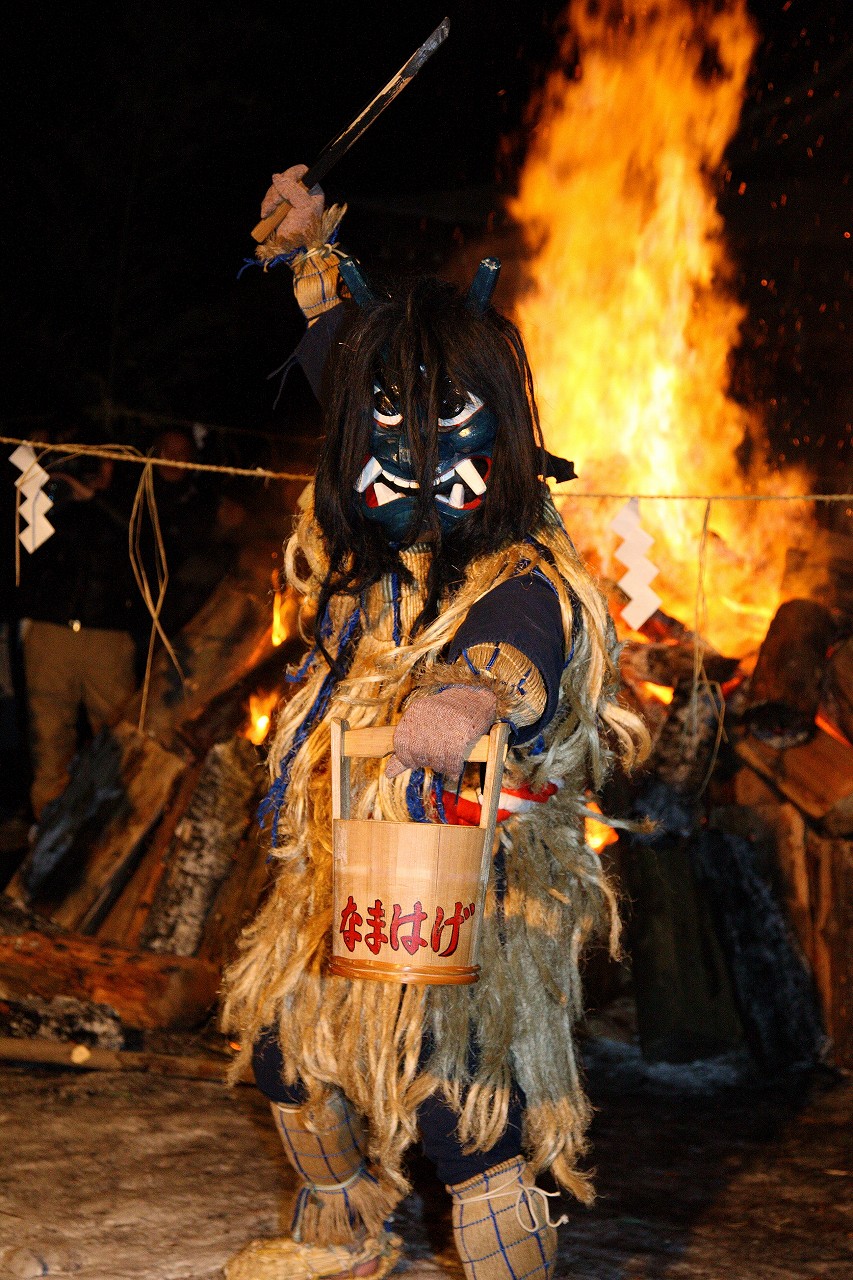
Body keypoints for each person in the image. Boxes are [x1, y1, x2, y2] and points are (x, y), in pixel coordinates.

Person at [220, 167, 648, 1280]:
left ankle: (503, 1251)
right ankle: (337, 1231)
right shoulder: (372, 576)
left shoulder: (520, 569)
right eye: (391, 424)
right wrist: (312, 254)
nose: (411, 452)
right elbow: (359, 371)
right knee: (287, 1051)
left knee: (462, 1103)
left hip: (481, 886)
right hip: (345, 864)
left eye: (446, 421)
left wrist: (472, 691)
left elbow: (530, 636)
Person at [16, 442, 137, 821]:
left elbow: (141, 539)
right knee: (49, 740)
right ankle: (48, 835)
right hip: (50, 633)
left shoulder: (128, 499)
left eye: (95, 462)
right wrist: (46, 490)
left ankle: (117, 828)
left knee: (117, 738)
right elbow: (27, 546)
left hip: (107, 636)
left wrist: (93, 499)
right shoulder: (50, 499)